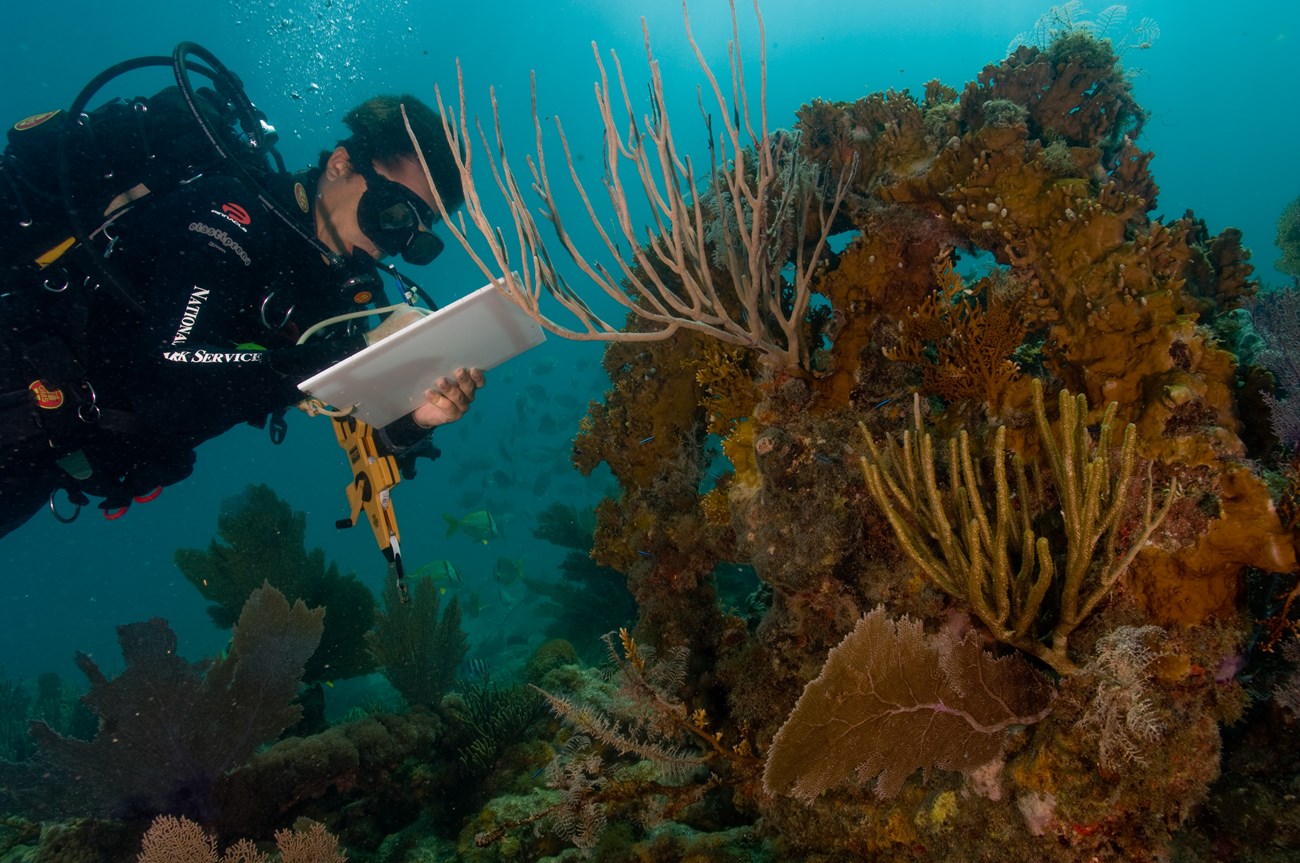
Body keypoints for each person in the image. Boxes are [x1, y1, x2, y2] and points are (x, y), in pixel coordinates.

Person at [0, 91, 483, 537]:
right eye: (395, 212)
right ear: (340, 165)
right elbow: (166, 380)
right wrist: (361, 350)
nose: (394, 239)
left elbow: (354, 423)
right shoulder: (230, 214)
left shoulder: (341, 297)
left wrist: (416, 419)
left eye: (416, 236)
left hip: (47, 460)